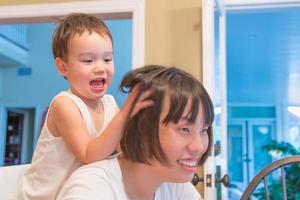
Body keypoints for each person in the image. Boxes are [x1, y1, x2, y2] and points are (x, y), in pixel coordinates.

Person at [15, 13, 153, 199]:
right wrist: (125, 115)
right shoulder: (65, 105)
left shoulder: (110, 103)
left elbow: (125, 148)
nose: (100, 68)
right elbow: (88, 154)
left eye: (107, 59)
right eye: (88, 60)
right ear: (63, 67)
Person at [57, 65, 215, 200]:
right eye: (184, 129)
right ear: (144, 128)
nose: (199, 146)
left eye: (204, 130)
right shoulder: (90, 190)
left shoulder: (173, 184)